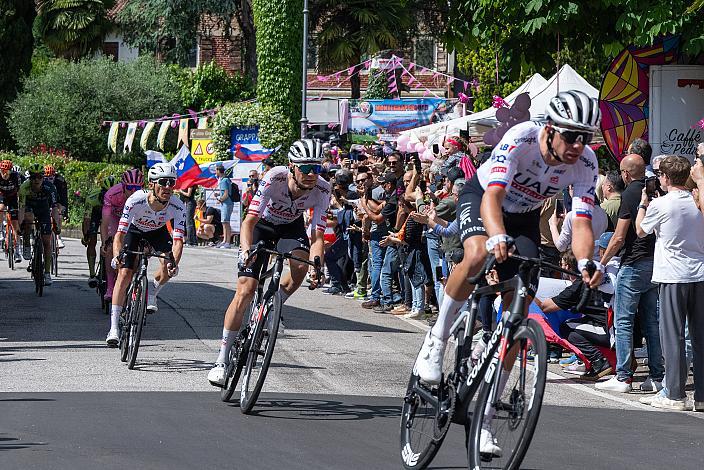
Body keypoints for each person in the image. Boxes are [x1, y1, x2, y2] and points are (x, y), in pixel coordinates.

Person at [413, 90, 603, 457]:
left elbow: (580, 222)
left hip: (525, 219)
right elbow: (493, 196)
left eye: (586, 137)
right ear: (549, 129)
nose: (578, 145)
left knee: (520, 315)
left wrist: (585, 263)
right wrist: (496, 234)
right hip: (483, 198)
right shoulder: (523, 138)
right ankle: (436, 341)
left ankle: (484, 419)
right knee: (475, 252)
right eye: (571, 135)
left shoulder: (586, 163)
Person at [207, 139, 330, 386]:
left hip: (290, 227)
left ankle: (275, 304)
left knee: (301, 265)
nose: (310, 174)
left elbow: (317, 235)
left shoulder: (323, 190)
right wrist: (244, 251)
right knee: (245, 291)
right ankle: (221, 359)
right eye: (305, 168)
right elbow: (248, 222)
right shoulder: (274, 178)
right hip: (262, 226)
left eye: (316, 168)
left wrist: (318, 265)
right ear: (291, 167)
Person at [635, 156, 704, 411]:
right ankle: (701, 394)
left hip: (673, 275)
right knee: (699, 336)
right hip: (699, 273)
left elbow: (641, 231)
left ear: (664, 178)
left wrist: (644, 204)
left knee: (672, 336)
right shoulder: (698, 201)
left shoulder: (661, 204)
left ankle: (674, 393)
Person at [597, 154, 664, 393]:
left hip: (634, 263)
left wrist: (602, 263)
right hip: (654, 263)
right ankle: (657, 376)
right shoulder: (656, 192)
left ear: (625, 173)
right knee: (651, 323)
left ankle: (624, 376)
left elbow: (618, 237)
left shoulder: (628, 195)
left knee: (623, 320)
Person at [105, 163, 184, 346]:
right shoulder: (135, 200)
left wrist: (174, 263)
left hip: (158, 231)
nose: (167, 187)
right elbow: (120, 234)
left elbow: (178, 241)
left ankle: (152, 292)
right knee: (124, 273)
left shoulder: (177, 205)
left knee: (167, 266)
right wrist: (117, 256)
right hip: (135, 230)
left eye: (171, 183)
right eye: (162, 182)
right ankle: (114, 327)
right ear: (151, 184)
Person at [101, 169, 144, 304]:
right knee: (110, 248)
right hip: (115, 218)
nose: (133, 192)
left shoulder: (144, 197)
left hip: (134, 221)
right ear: (123, 186)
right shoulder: (112, 194)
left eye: (137, 188)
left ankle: (133, 285)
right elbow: (105, 221)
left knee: (137, 252)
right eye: (130, 188)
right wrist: (104, 242)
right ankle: (110, 286)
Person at [18, 163, 61, 285]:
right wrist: (21, 225)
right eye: (33, 177)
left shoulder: (50, 187)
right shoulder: (24, 188)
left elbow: (54, 209)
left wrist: (56, 224)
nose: (37, 180)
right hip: (29, 208)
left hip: (43, 209)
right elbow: (21, 209)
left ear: (43, 178)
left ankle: (47, 273)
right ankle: (26, 243)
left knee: (47, 241)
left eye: (39, 177)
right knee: (28, 218)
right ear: (29, 178)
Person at [82, 175, 117, 287]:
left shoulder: (120, 197)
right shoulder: (92, 198)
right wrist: (86, 235)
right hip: (96, 214)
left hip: (112, 214)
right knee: (92, 239)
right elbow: (87, 220)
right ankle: (92, 274)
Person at [0, 159, 24, 264]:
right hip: (2, 196)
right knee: (0, 209)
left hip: (13, 197)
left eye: (7, 171)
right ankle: (1, 230)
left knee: (15, 223)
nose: (5, 173)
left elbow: (20, 190)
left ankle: (17, 249)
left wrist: (19, 205)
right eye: (3, 170)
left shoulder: (16, 176)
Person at [44, 165, 68, 249]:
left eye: (51, 178)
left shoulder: (60, 181)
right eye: (46, 178)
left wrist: (65, 212)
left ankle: (58, 237)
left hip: (57, 199)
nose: (49, 180)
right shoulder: (41, 181)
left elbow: (64, 198)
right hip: (45, 199)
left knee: (59, 212)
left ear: (54, 176)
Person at [215, 164, 233, 249]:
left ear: (218, 171)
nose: (215, 172)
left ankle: (228, 242)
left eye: (216, 170)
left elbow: (226, 194)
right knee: (224, 222)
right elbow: (224, 192)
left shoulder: (224, 180)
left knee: (226, 222)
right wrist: (218, 194)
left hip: (227, 204)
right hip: (225, 204)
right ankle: (224, 240)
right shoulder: (223, 180)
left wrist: (220, 200)